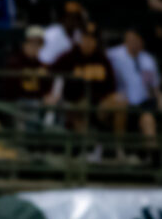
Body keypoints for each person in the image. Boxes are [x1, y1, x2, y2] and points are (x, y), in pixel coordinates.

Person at [47, 22, 127, 159]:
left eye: (92, 39)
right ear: (81, 39)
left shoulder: (102, 59)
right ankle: (84, 150)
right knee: (81, 109)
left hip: (99, 105)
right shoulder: (70, 56)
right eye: (85, 38)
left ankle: (116, 147)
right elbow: (50, 72)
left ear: (96, 41)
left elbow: (112, 87)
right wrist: (50, 94)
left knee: (121, 103)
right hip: (76, 103)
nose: (88, 42)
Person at [107, 28, 162, 148]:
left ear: (142, 42)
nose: (134, 42)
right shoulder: (114, 55)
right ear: (126, 39)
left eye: (137, 40)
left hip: (145, 100)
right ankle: (151, 152)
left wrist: (159, 97)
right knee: (147, 118)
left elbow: (153, 86)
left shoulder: (147, 59)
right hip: (125, 100)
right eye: (131, 39)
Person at [39, 0, 85, 65]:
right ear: (63, 17)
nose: (72, 20)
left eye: (76, 18)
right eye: (69, 17)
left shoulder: (79, 33)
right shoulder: (52, 32)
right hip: (51, 69)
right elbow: (44, 58)